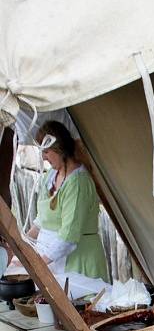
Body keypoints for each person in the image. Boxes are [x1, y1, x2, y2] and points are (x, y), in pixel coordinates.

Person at [17, 120, 108, 284]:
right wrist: (21, 247)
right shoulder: (50, 176)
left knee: (82, 308)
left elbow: (69, 236)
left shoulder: (78, 183)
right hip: (54, 262)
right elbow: (41, 220)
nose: (43, 157)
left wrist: (39, 264)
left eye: (46, 151)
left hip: (79, 263)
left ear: (60, 148)